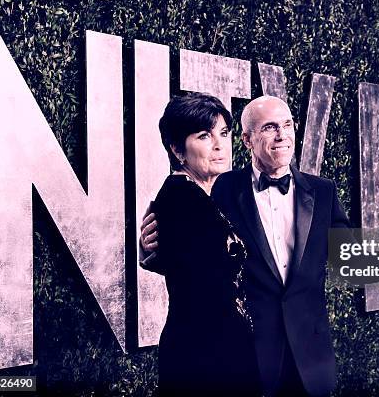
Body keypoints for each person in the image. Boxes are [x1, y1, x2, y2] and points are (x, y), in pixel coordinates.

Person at [142, 95, 351, 397]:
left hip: (309, 361)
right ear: (248, 139)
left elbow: (349, 256)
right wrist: (150, 249)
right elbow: (195, 260)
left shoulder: (323, 191)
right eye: (269, 127)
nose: (282, 135)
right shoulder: (220, 188)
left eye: (288, 125)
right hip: (246, 362)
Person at [139, 93, 261, 396]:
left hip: (216, 351)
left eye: (223, 133)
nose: (219, 145)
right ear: (178, 149)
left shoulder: (205, 197)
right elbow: (208, 286)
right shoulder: (183, 198)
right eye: (204, 136)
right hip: (205, 358)